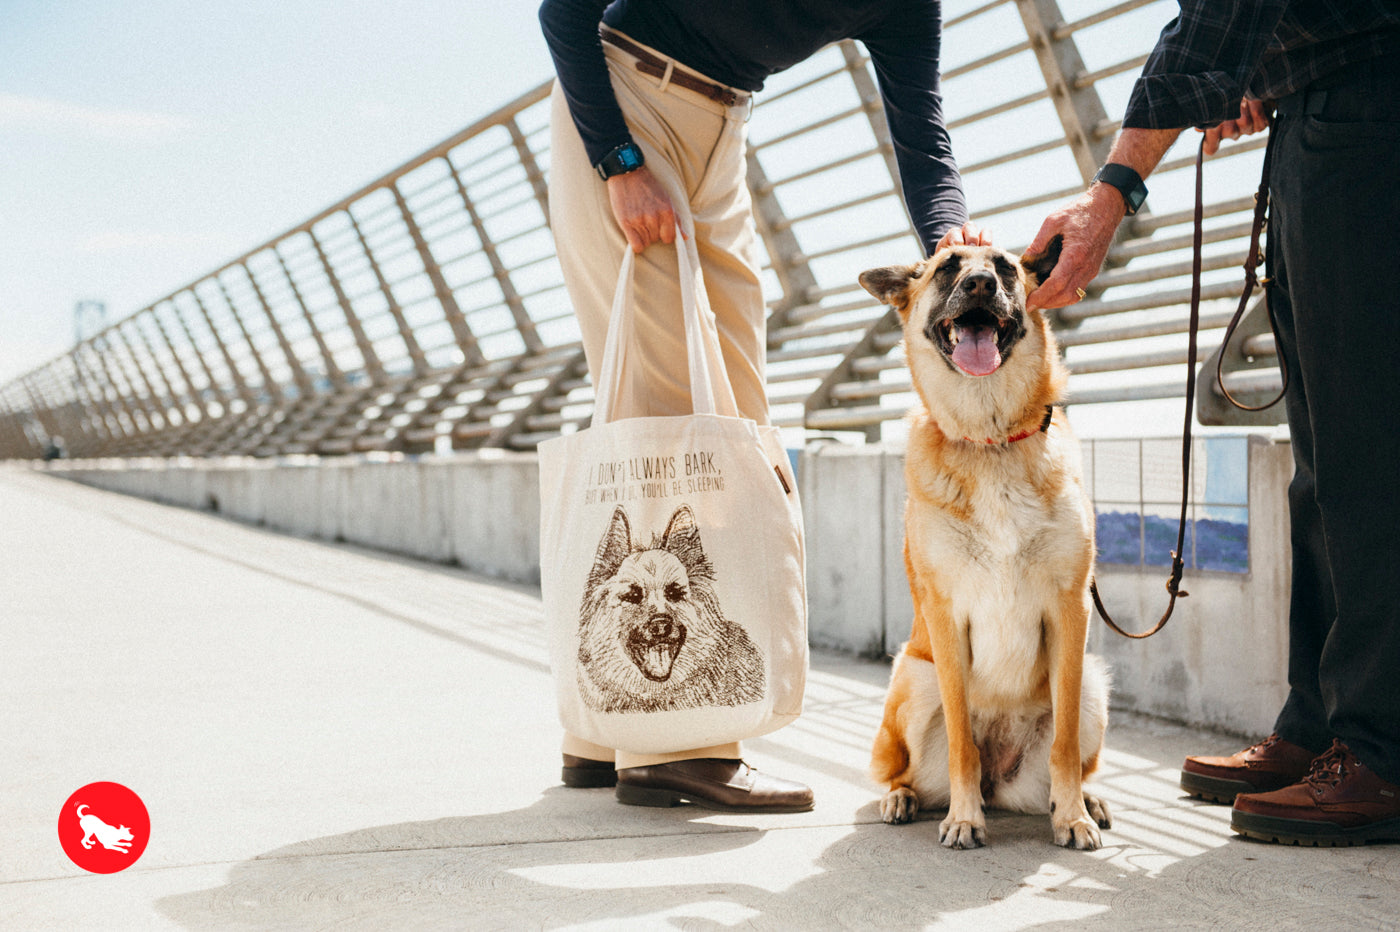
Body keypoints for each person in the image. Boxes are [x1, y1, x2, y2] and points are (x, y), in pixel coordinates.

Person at [539, 0, 984, 812]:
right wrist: (618, 161)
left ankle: (600, 733)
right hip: (623, 103)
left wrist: (951, 237)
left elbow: (925, 137)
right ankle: (681, 748)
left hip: (723, 136)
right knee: (662, 406)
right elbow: (562, 9)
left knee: (739, 425)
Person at [1024, 2, 1400, 846]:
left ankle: (1383, 750)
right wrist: (1262, 74)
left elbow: (1219, 16)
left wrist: (1113, 191)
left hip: (1370, 112)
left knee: (1368, 455)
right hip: (1321, 111)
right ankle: (1321, 724)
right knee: (1325, 466)